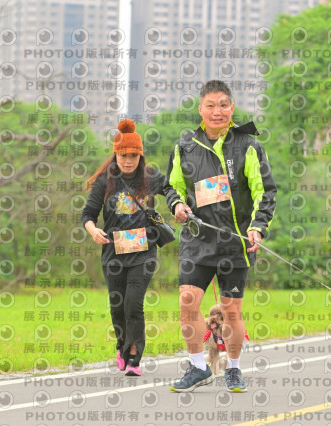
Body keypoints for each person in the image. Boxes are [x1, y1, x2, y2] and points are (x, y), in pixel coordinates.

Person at [165, 80, 276, 393]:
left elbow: (265, 190)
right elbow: (173, 186)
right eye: (211, 105)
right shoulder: (185, 146)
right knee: (187, 302)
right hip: (197, 240)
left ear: (232, 108)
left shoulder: (248, 146)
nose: (217, 111)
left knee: (231, 311)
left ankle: (234, 368)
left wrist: (258, 226)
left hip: (235, 243)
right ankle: (198, 367)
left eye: (223, 105)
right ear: (201, 109)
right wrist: (177, 205)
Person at [82, 120, 168, 376]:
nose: (128, 161)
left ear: (140, 156)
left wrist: (181, 206)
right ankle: (122, 346)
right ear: (115, 155)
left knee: (133, 304)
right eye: (123, 156)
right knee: (117, 306)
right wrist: (93, 230)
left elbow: (175, 190)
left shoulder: (151, 177)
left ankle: (134, 357)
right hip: (113, 254)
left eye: (133, 156)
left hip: (144, 253)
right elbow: (88, 214)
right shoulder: (105, 181)